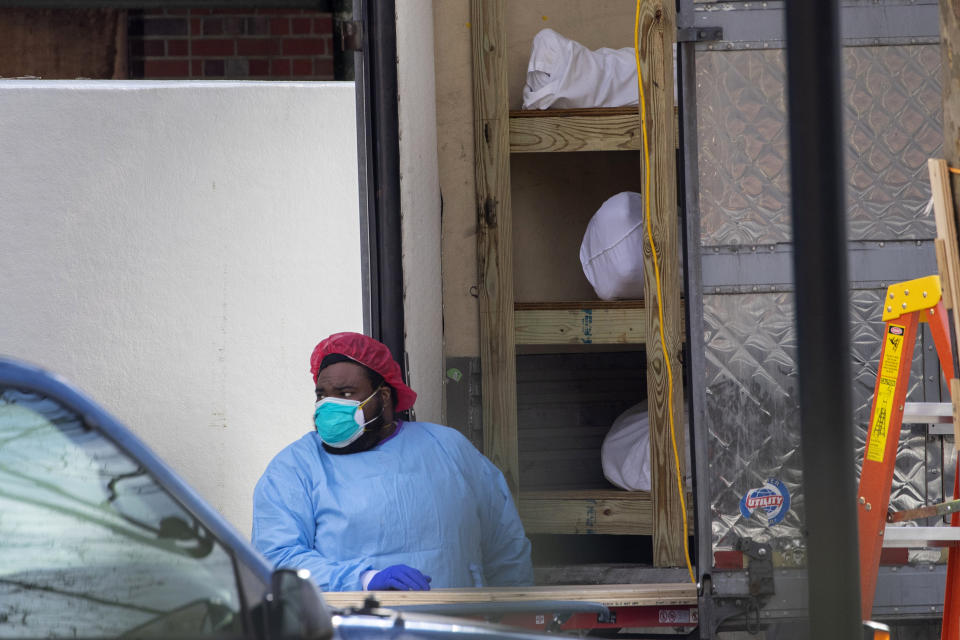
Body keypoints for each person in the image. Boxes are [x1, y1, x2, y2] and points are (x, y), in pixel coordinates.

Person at [252, 331, 533, 592]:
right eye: (322, 395)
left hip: (456, 624)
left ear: (383, 397)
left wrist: (511, 615)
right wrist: (363, 580)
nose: (329, 405)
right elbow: (275, 557)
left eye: (346, 393)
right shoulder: (295, 467)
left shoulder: (448, 448)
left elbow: (505, 542)